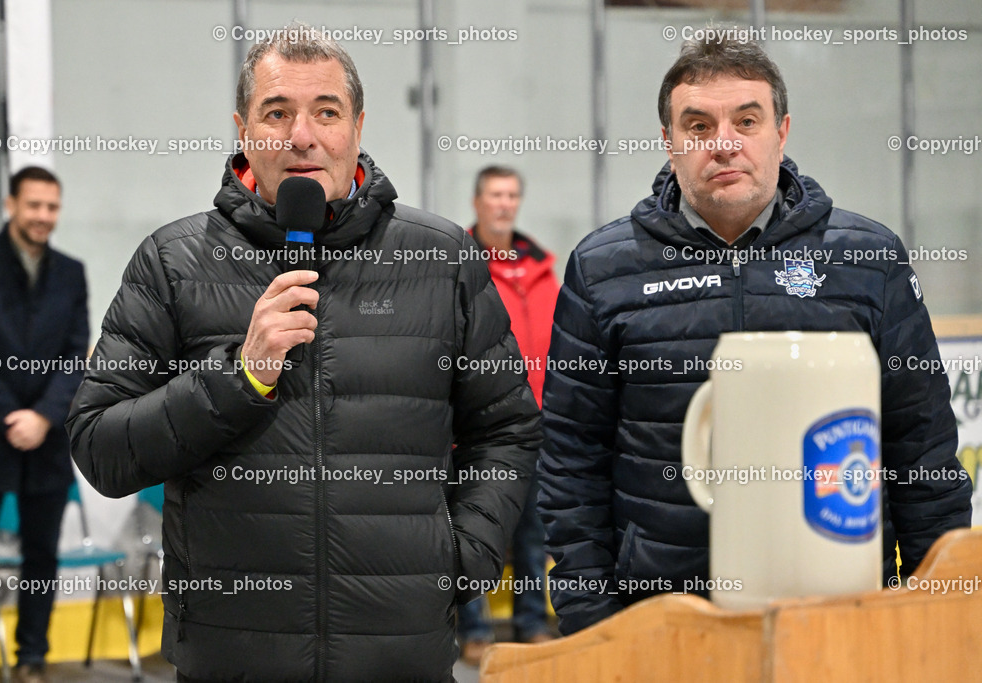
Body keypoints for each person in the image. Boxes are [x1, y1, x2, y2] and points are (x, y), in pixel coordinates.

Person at [66, 23, 540, 682]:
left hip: (399, 652)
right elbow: (100, 446)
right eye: (276, 113)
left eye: (327, 112)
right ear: (243, 130)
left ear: (358, 126)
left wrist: (461, 560)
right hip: (233, 655)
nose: (302, 136)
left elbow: (507, 428)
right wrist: (237, 378)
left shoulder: (441, 258)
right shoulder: (173, 264)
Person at [537, 34, 973, 636]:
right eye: (698, 125)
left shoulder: (868, 260)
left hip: (838, 615)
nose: (724, 143)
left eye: (747, 121)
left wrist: (938, 619)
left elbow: (920, 450)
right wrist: (595, 625)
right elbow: (571, 462)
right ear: (669, 142)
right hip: (660, 621)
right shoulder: (604, 268)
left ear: (781, 132)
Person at [0, 167, 89, 683]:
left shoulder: (71, 272)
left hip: (47, 439)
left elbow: (76, 354)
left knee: (41, 557)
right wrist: (11, 416)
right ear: (11, 205)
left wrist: (43, 416)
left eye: (52, 207)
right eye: (34, 205)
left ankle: (32, 660)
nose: (43, 216)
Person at [457, 167, 559, 664]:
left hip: (535, 424)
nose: (504, 204)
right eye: (496, 195)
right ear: (477, 202)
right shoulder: (459, 262)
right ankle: (475, 632)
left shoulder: (541, 269)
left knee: (534, 535)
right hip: (478, 427)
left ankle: (532, 624)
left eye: (512, 195)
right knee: (477, 530)